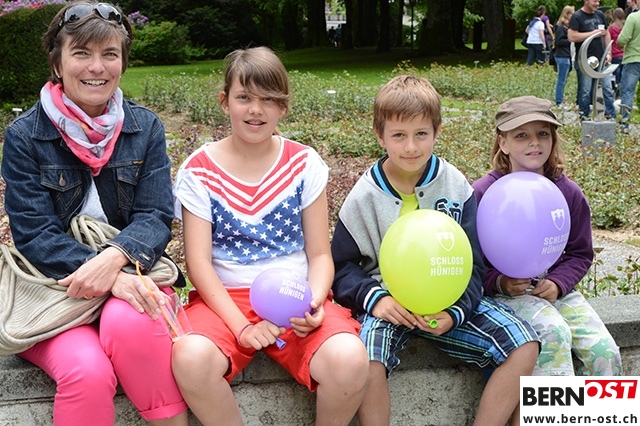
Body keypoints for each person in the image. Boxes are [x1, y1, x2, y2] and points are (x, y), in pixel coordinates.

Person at [0, 2, 189, 425]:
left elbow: (155, 214)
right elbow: (35, 234)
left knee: (134, 324)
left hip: (128, 277)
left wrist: (115, 258)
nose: (96, 67)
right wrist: (110, 276)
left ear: (122, 62)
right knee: (87, 372)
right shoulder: (25, 136)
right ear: (57, 63)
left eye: (109, 54)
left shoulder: (145, 127)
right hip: (54, 292)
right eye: (81, 53)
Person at [171, 46, 369, 426]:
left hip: (296, 295)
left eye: (268, 100)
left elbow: (320, 254)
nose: (255, 110)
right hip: (225, 299)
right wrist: (242, 327)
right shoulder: (198, 171)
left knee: (349, 358)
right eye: (244, 97)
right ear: (225, 102)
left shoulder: (304, 164)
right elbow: (198, 264)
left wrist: (313, 304)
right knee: (190, 358)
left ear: (284, 107)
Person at [331, 75, 540, 426]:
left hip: (450, 300)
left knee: (524, 344)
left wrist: (456, 312)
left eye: (421, 134)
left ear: (437, 131)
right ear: (380, 136)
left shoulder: (455, 185)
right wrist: (376, 300)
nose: (411, 147)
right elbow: (341, 267)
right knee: (367, 357)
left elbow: (474, 263)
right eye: (399, 135)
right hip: (389, 304)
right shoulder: (364, 196)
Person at [472, 96, 623, 377]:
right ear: (503, 143)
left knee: (605, 350)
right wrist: (499, 282)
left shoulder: (568, 193)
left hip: (557, 292)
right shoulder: (483, 193)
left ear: (553, 139)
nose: (535, 142)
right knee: (554, 335)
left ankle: (605, 406)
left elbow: (580, 253)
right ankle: (553, 406)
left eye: (543, 133)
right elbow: (470, 260)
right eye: (521, 135)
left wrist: (558, 283)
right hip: (506, 296)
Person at [569, 0, 617, 120]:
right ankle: (584, 117)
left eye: (598, 1)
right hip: (584, 60)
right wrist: (592, 34)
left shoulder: (600, 15)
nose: (597, 4)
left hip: (602, 59)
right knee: (585, 90)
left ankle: (610, 116)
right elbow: (571, 36)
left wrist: (608, 52)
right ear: (586, 1)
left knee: (607, 88)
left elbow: (606, 34)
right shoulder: (577, 16)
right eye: (594, 1)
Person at [617, 7, 640, 133]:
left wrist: (620, 45)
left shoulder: (633, 17)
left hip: (633, 59)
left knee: (627, 92)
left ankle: (624, 125)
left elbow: (622, 39)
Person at [554, 5, 576, 106]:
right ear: (567, 14)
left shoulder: (567, 27)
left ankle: (561, 98)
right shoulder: (561, 27)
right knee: (561, 79)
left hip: (566, 55)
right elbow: (558, 42)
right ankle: (559, 100)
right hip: (562, 55)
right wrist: (570, 40)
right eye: (572, 14)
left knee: (564, 79)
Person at [609, 8, 626, 94]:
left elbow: (609, 41)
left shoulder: (612, 28)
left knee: (616, 76)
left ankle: (617, 91)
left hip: (615, 55)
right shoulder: (625, 27)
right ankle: (622, 91)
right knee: (624, 75)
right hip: (624, 54)